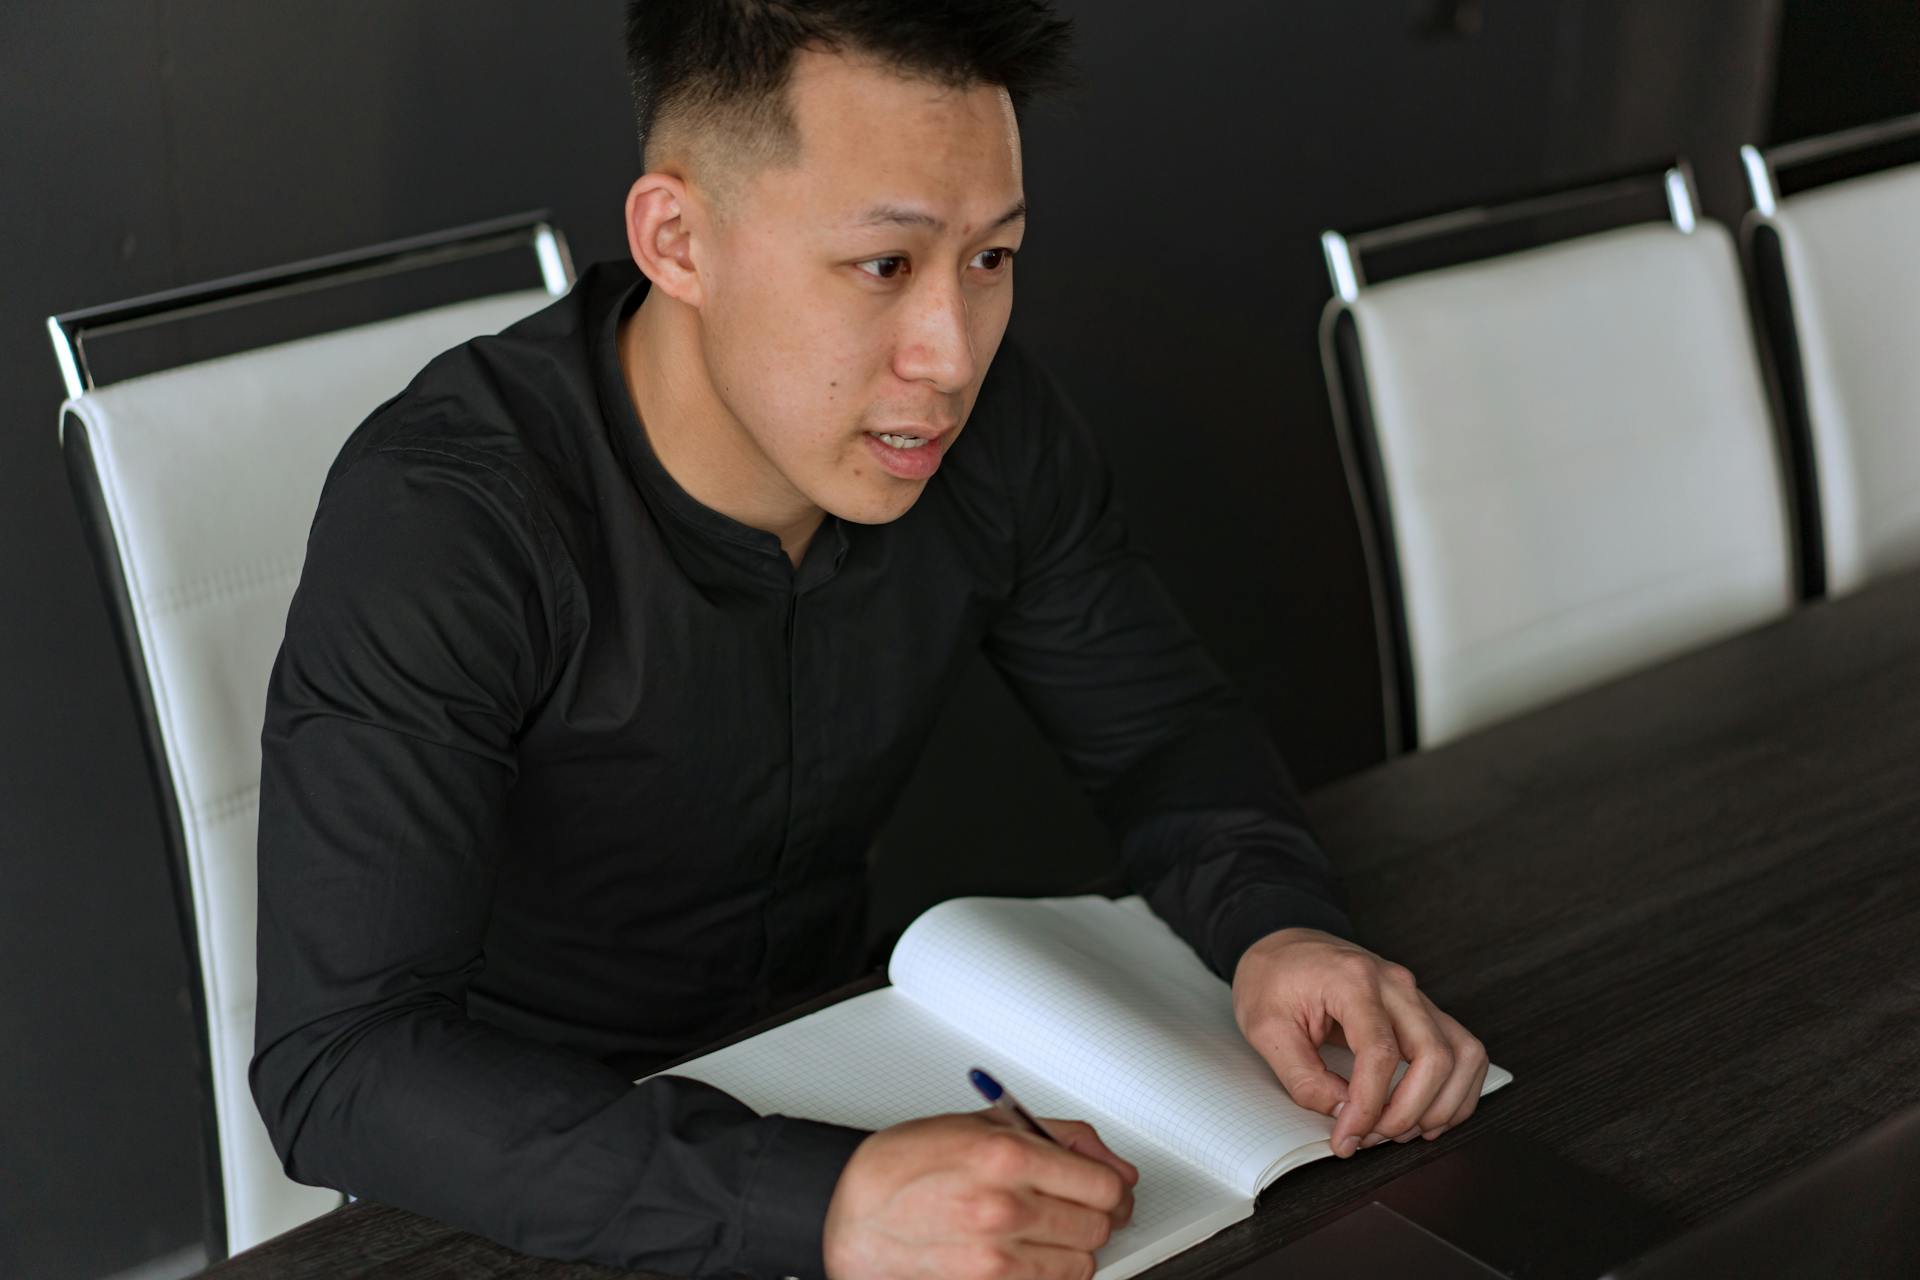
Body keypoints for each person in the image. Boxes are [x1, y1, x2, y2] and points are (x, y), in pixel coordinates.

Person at [249, 2, 1489, 1277]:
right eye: (885, 266)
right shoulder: (448, 515)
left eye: (994, 257)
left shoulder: (995, 435)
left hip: (857, 1069)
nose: (951, 356)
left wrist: (1277, 924)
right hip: (520, 1165)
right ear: (678, 238)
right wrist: (822, 1201)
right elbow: (345, 1060)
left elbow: (1163, 731)